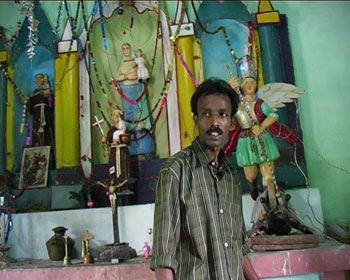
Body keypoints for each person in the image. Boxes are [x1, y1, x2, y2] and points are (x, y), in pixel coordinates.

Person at [151, 78, 247, 280]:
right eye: (206, 114)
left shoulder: (231, 176)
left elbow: (239, 247)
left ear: (231, 123)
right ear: (196, 119)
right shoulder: (176, 170)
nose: (214, 123)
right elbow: (164, 256)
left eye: (222, 115)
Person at [224, 56, 296, 206]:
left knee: (268, 174)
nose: (249, 85)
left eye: (252, 82)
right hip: (245, 142)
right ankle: (253, 189)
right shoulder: (236, 105)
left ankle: (269, 200)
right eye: (246, 83)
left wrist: (261, 127)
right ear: (241, 86)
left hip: (262, 139)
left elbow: (273, 115)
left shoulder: (260, 104)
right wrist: (228, 90)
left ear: (256, 85)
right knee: (250, 175)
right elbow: (225, 112)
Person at [115, 43, 151, 131]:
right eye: (123, 49)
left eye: (127, 48)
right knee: (129, 111)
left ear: (130, 50)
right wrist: (126, 76)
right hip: (126, 91)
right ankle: (131, 129)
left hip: (138, 88)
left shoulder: (136, 61)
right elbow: (117, 77)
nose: (126, 50)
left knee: (141, 108)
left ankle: (143, 127)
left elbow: (142, 71)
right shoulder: (121, 65)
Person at [102, 109, 130, 188]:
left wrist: (124, 140)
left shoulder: (124, 128)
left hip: (122, 152)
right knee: (113, 167)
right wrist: (105, 140)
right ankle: (113, 181)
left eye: (118, 114)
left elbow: (129, 140)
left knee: (123, 167)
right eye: (114, 115)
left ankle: (124, 183)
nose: (116, 116)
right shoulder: (111, 130)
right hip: (114, 152)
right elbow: (108, 143)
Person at [26, 73, 54, 147]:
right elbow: (29, 107)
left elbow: (51, 104)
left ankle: (48, 148)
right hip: (37, 115)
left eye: (40, 78)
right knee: (36, 129)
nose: (38, 80)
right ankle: (37, 147)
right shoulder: (34, 93)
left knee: (47, 130)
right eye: (37, 79)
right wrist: (25, 101)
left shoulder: (47, 91)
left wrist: (48, 93)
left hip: (46, 113)